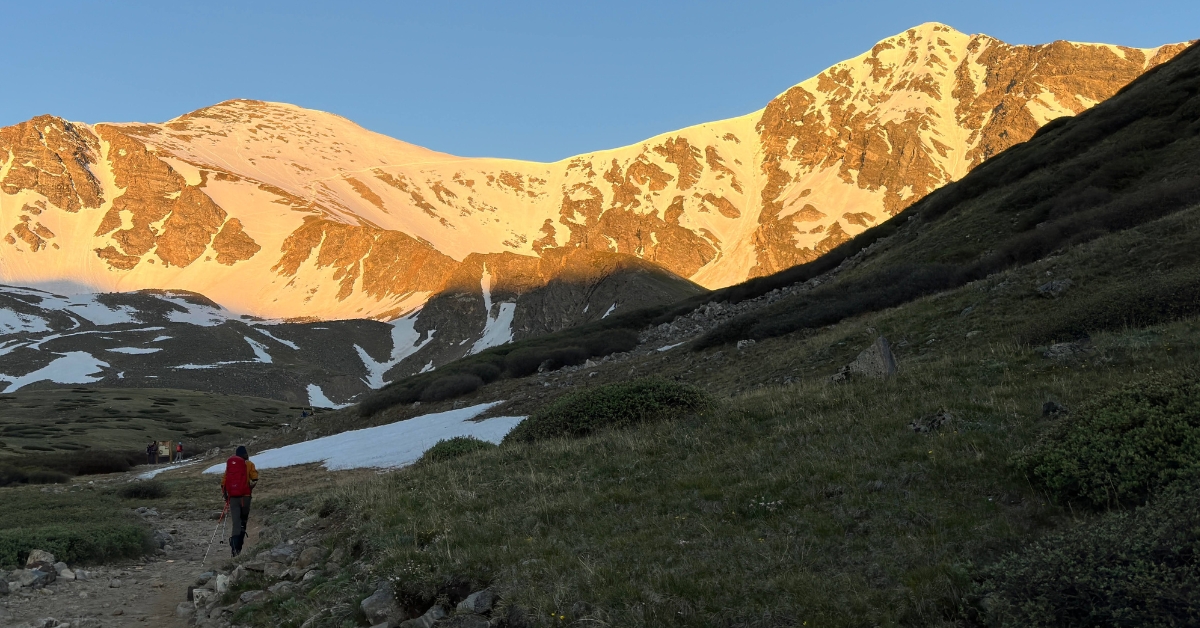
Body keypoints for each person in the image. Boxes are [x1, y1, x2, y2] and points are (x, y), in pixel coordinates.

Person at [221, 445, 259, 557]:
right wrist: (250, 488)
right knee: (243, 522)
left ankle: (234, 550)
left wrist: (226, 495)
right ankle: (239, 548)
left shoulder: (231, 466)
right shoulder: (249, 464)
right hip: (245, 497)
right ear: (245, 454)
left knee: (236, 524)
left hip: (233, 498)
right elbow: (255, 478)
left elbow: (224, 481)